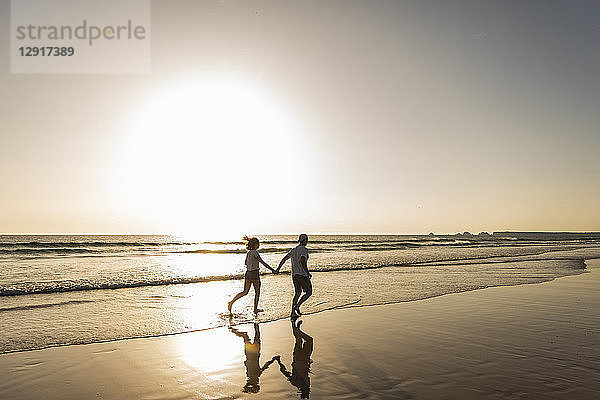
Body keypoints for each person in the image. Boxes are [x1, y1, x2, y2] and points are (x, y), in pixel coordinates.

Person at [228, 236, 276, 314]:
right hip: (254, 274)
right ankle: (255, 309)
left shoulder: (248, 252)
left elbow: (246, 263)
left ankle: (231, 302)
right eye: (257, 244)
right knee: (257, 292)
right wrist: (272, 270)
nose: (259, 245)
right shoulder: (255, 252)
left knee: (245, 292)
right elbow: (263, 262)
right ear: (254, 244)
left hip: (248, 273)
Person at [229, 323, 278, 393]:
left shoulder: (256, 374)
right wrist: (273, 360)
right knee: (247, 336)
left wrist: (273, 359)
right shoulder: (252, 375)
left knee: (255, 334)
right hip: (250, 354)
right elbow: (265, 366)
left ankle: (256, 321)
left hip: (254, 353)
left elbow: (266, 366)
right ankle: (235, 330)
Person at [275, 319, 314, 398]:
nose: (307, 388)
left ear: (302, 390)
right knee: (307, 340)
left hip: (299, 358)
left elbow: (285, 372)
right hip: (304, 358)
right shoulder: (305, 384)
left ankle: (295, 326)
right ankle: (296, 328)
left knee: (300, 340)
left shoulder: (296, 382)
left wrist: (279, 362)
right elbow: (304, 372)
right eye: (308, 390)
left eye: (306, 390)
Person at [277, 233, 311, 317]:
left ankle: (292, 312)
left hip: (294, 275)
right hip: (302, 275)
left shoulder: (294, 250)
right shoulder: (304, 249)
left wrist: (278, 269)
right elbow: (302, 261)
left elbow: (284, 259)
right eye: (307, 239)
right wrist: (307, 273)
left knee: (297, 293)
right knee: (309, 292)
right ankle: (297, 306)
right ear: (305, 240)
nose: (307, 241)